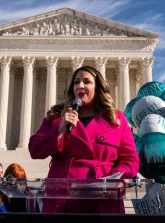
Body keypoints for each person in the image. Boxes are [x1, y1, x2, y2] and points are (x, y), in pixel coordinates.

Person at [29, 65, 139, 213]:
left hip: (103, 198)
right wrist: (60, 129)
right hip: (62, 198)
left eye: (87, 82)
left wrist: (117, 179)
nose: (80, 85)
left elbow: (130, 159)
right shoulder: (56, 116)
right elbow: (35, 149)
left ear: (98, 87)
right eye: (76, 82)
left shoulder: (116, 119)